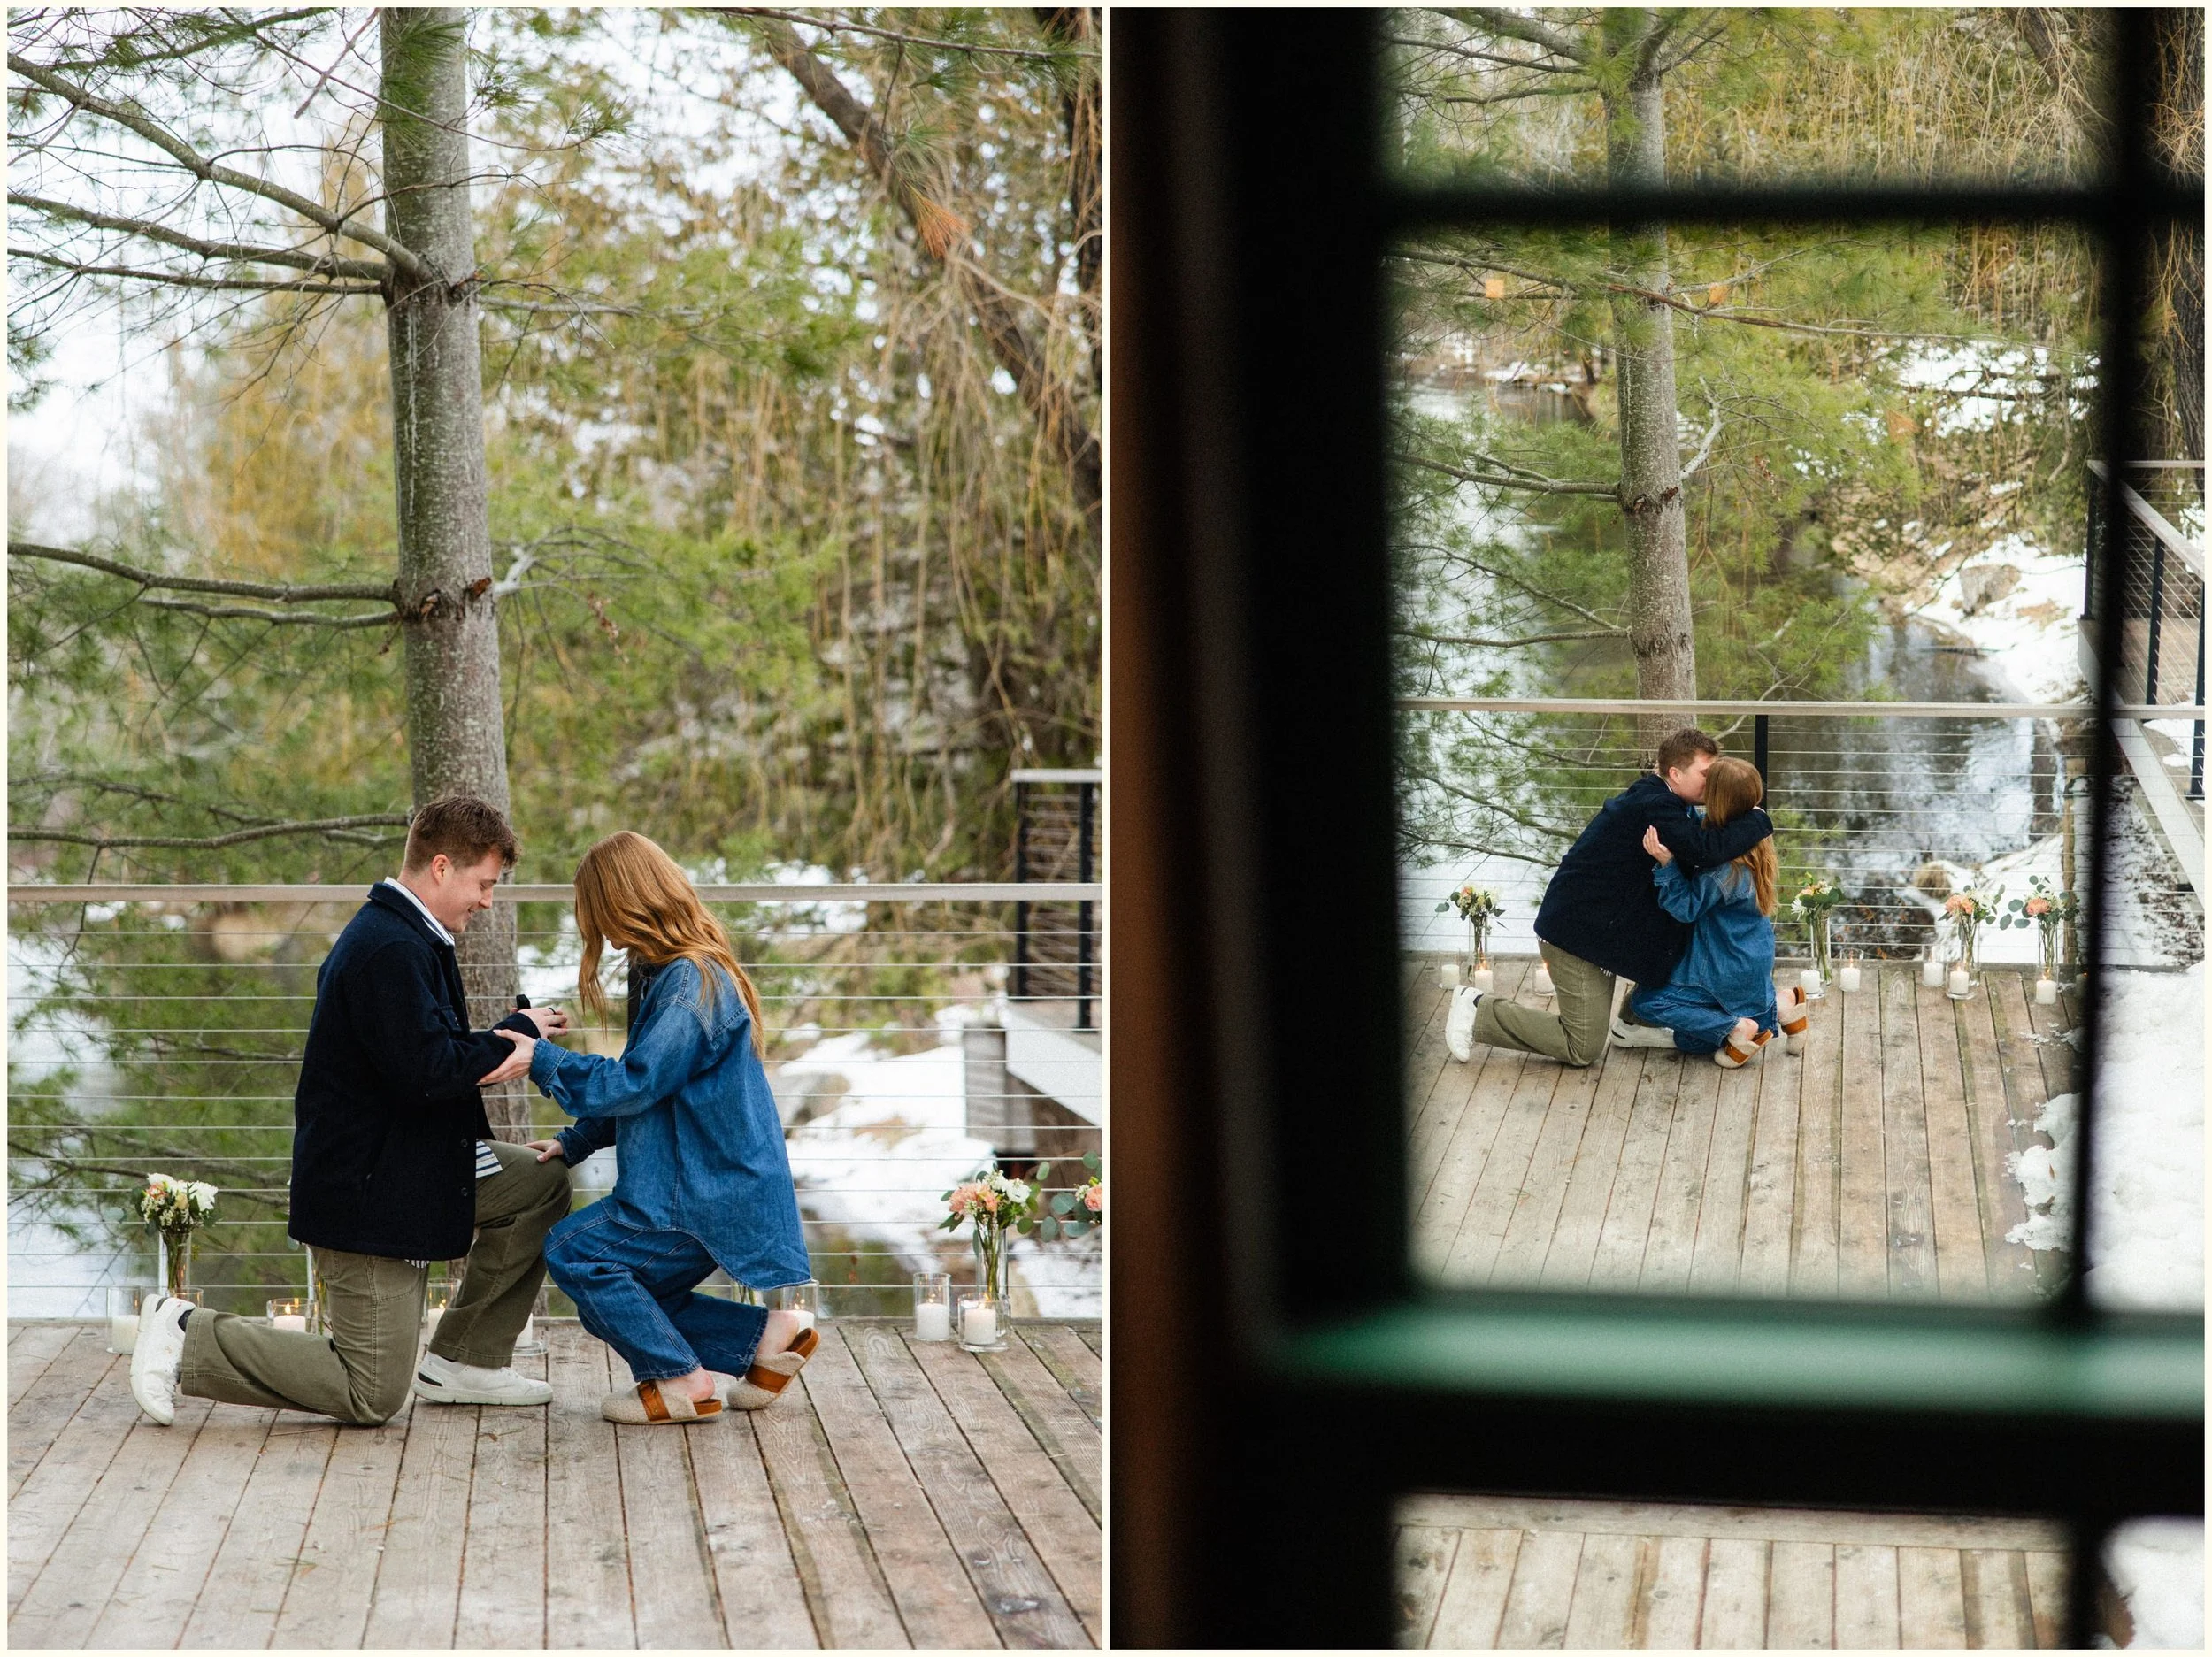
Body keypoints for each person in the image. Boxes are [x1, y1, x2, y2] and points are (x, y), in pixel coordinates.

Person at [130, 796, 575, 1427]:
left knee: (538, 1183)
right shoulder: (387, 950)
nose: (487, 900)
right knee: (372, 1392)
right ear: (442, 867)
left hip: (414, 1167)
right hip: (368, 1194)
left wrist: (510, 1039)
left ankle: (466, 1359)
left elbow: (423, 1056)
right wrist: (515, 1038)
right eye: (484, 884)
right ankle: (185, 1333)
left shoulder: (411, 937)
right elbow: (429, 1072)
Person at [498, 831, 815, 1426]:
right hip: (703, 1184)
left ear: (628, 900)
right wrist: (575, 1140)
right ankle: (767, 1339)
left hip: (703, 1192)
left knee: (576, 1253)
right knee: (631, 1297)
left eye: (599, 912)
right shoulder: (673, 974)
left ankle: (682, 1383)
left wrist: (542, 1059)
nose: (599, 930)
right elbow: (652, 1087)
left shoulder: (690, 984)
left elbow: (638, 1082)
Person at [1455, 727, 1776, 1068]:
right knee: (1582, 1047)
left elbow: (1707, 840)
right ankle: (1478, 1011)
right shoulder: (1656, 806)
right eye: (1706, 775)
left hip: (1607, 931)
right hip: (1576, 936)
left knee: (1679, 949)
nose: (1711, 784)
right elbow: (1705, 850)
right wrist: (1759, 818)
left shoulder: (1669, 803)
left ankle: (1633, 1023)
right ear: (1675, 773)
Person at [1631, 756, 1812, 1066]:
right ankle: (1783, 1006)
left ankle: (1741, 1026)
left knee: (1645, 1002)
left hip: (1726, 965)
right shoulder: (1757, 841)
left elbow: (1686, 908)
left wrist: (1666, 864)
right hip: (1753, 955)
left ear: (1717, 799)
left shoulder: (1724, 871)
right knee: (1689, 1039)